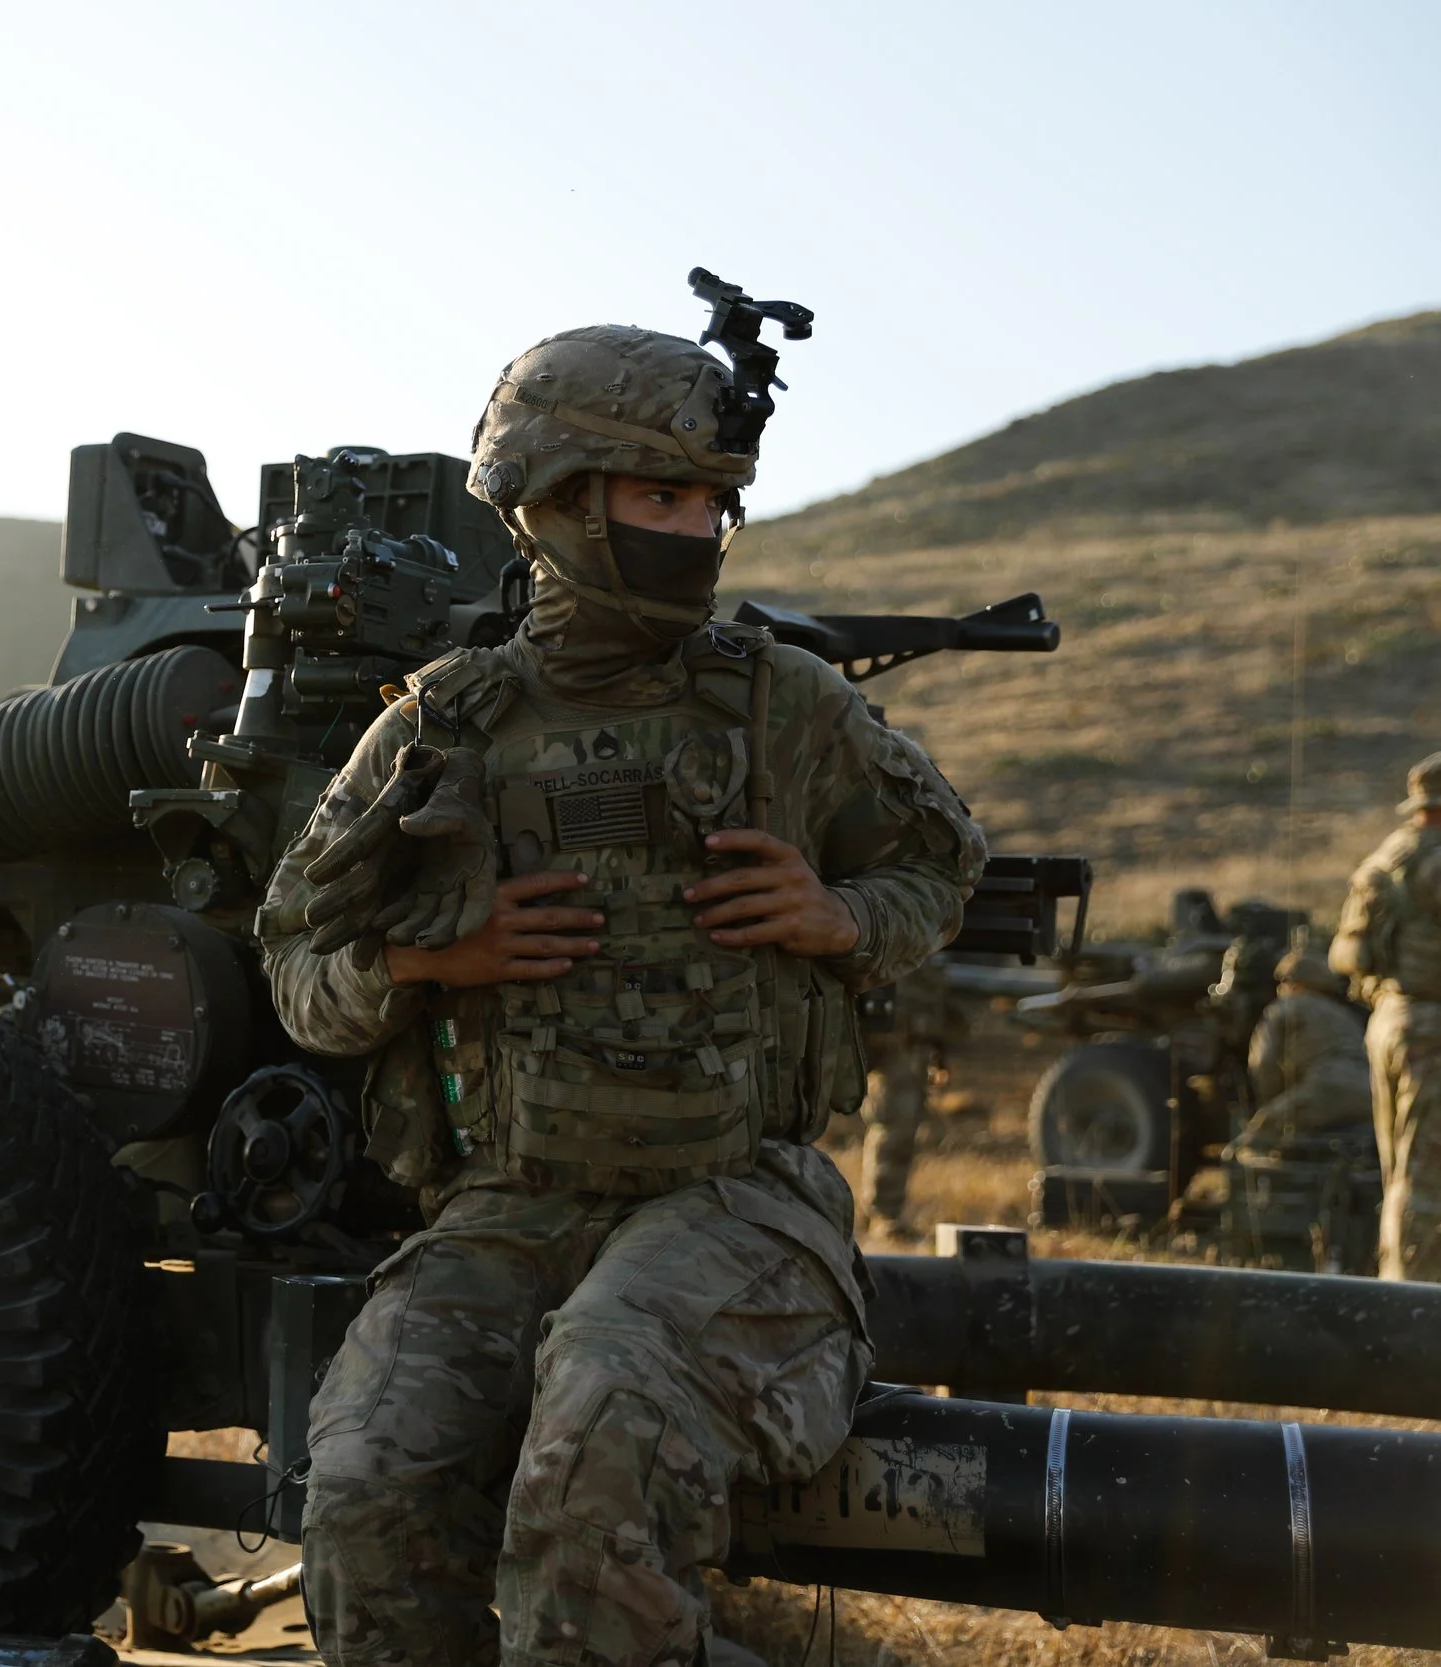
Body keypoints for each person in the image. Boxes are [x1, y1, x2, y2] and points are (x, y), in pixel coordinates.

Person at [259, 321, 984, 1667]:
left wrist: (839, 914)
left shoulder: (786, 707)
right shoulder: (442, 722)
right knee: (364, 1492)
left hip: (734, 1200)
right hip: (508, 1206)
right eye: (663, 496)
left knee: (595, 1441)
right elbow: (297, 959)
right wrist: (427, 960)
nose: (697, 530)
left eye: (714, 502)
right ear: (556, 504)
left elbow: (944, 863)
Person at [1331, 751, 1441, 1281]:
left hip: (1390, 1024)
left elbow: (1345, 956)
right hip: (1433, 1036)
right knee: (1427, 1183)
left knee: (1399, 1171)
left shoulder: (1384, 860)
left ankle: (1396, 1289)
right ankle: (1417, 1311)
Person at [1231, 951, 1372, 1154]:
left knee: (1252, 1142)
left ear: (1294, 983)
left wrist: (1269, 1104)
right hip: (1367, 1097)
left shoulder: (1284, 1007)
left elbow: (1263, 1062)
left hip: (1322, 1090)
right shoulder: (1345, 1015)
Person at [854, 954, 951, 1236]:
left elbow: (934, 997)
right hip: (856, 1026)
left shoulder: (929, 936)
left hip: (907, 1040)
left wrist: (938, 1046)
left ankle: (883, 1213)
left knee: (898, 1125)